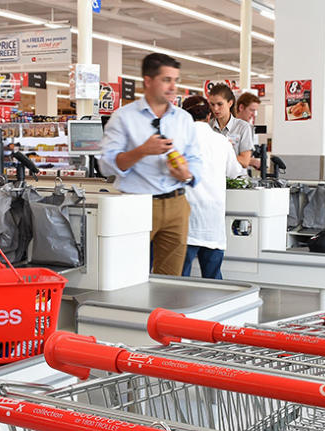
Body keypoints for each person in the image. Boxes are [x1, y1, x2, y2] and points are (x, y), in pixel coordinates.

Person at [99, 53, 204, 276]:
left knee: (171, 276)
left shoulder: (183, 119)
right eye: (166, 80)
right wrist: (142, 151)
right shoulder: (123, 117)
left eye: (175, 80)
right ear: (148, 81)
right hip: (136, 204)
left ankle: (163, 312)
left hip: (177, 203)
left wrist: (187, 173)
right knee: (129, 273)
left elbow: (195, 158)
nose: (173, 86)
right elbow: (106, 165)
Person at [179, 96, 243, 279]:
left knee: (177, 281)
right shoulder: (222, 141)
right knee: (214, 280)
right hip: (212, 220)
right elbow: (234, 172)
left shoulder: (177, 141)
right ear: (209, 116)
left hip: (186, 221)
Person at [207, 84, 253, 168]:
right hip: (214, 178)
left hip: (237, 179)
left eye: (220, 104)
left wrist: (215, 156)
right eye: (212, 104)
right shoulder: (207, 127)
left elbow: (245, 161)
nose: (215, 109)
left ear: (230, 103)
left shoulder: (243, 127)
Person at [234, 91, 263, 170]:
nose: (254, 114)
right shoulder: (229, 127)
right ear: (241, 107)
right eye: (251, 110)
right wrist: (250, 161)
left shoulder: (249, 128)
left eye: (255, 111)